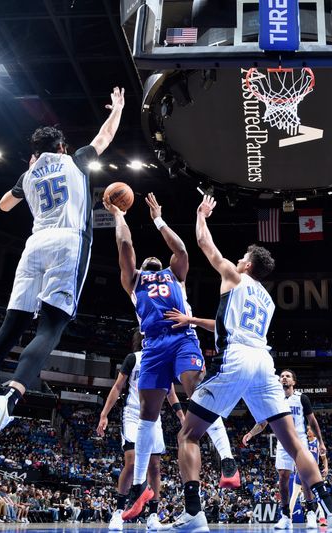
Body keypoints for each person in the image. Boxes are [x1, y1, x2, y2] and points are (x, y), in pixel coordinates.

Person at [0, 86, 126, 471]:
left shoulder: (27, 176)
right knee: (51, 329)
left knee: (10, 327)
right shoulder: (75, 160)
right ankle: (7, 400)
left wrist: (29, 172)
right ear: (61, 147)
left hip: (34, 244)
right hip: (68, 241)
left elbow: (4, 205)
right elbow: (105, 137)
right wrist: (119, 107)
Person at [171, 195, 332, 533]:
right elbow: (228, 323)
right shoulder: (268, 301)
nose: (237, 259)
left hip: (236, 358)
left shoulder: (233, 275)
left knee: (188, 433)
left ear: (246, 265)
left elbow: (203, 243)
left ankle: (194, 513)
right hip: (262, 360)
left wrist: (201, 214)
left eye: (242, 257)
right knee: (294, 444)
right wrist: (194, 320)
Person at [102, 192, 239, 522]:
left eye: (154, 259)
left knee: (198, 391)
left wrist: (158, 219)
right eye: (144, 260)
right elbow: (125, 249)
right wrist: (119, 217)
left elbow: (181, 249)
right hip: (152, 348)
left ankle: (226, 459)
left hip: (182, 339)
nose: (150, 260)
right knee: (148, 414)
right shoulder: (134, 281)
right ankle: (138, 489)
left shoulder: (174, 274)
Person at [98, 329, 183, 532]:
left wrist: (181, 416)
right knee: (132, 462)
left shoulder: (164, 360)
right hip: (133, 415)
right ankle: (118, 512)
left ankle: (153, 515)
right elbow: (118, 387)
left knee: (154, 467)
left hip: (155, 416)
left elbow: (171, 392)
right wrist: (104, 414)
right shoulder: (133, 359)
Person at [242, 369, 326, 530]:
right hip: (282, 441)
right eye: (281, 376)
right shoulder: (274, 400)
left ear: (294, 382)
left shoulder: (302, 398)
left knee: (304, 478)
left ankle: (310, 513)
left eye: (287, 376)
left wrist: (320, 442)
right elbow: (263, 422)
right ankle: (286, 516)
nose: (284, 378)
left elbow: (312, 422)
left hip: (300, 441)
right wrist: (251, 433)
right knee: (282, 477)